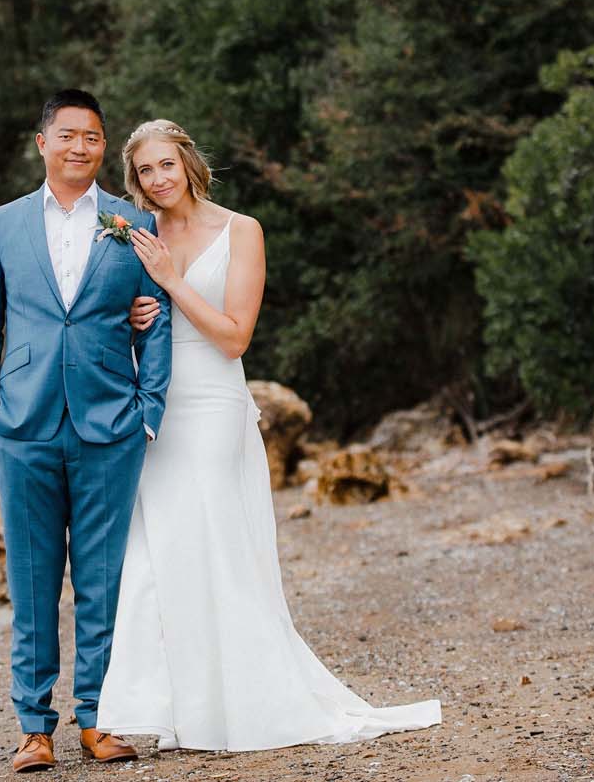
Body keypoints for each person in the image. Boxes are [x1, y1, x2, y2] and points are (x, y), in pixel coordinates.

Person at [95, 119, 442, 751]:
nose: (158, 179)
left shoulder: (241, 231)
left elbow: (233, 337)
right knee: (156, 555)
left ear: (189, 164)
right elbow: (115, 323)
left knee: (218, 549)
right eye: (145, 171)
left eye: (166, 165)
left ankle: (249, 704)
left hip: (211, 406)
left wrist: (170, 285)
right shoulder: (135, 235)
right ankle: (172, 711)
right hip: (153, 409)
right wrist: (133, 316)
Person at [0, 90, 173, 773]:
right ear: (43, 143)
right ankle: (33, 727)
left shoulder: (131, 221)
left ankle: (98, 718)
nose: (80, 146)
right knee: (30, 580)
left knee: (102, 578)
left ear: (101, 148)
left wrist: (147, 409)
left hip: (109, 423)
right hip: (22, 427)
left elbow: (158, 313)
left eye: (93, 137)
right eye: (68, 135)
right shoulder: (3, 222)